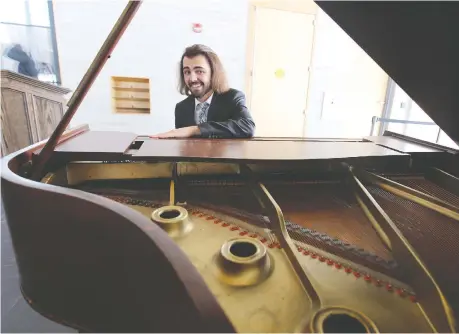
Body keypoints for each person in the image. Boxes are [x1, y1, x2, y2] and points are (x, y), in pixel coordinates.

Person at [151, 44, 255, 139]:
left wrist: (195, 129)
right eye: (187, 72)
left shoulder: (232, 98)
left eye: (199, 71)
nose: (192, 79)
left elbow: (248, 126)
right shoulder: (181, 108)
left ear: (213, 72)